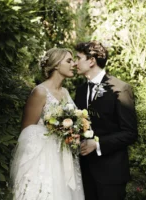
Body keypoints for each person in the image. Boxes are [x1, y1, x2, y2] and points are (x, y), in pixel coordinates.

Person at [10, 48, 85, 200]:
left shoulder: (65, 92)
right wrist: (55, 129)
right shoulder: (40, 92)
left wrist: (73, 132)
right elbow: (26, 132)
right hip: (44, 160)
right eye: (69, 61)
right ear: (56, 64)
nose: (74, 64)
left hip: (64, 155)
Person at [74, 41, 138, 200]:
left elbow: (130, 133)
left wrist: (97, 144)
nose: (75, 63)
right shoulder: (80, 91)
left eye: (78, 58)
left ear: (91, 61)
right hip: (85, 171)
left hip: (111, 173)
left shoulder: (120, 89)